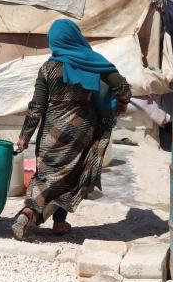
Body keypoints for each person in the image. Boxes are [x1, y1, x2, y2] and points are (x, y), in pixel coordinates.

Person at [12, 19, 131, 240]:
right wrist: (122, 102)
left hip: (51, 130)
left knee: (47, 175)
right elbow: (122, 86)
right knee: (71, 175)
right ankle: (45, 218)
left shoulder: (47, 68)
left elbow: (36, 106)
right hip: (82, 127)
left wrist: (24, 136)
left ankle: (32, 213)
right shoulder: (92, 62)